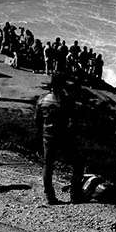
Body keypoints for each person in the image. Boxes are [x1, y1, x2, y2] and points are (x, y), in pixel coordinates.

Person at [34, 77, 83, 205]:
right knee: (78, 164)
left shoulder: (42, 99)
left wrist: (42, 134)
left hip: (47, 137)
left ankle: (49, 196)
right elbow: (74, 121)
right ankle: (75, 195)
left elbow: (37, 120)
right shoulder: (67, 100)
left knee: (48, 166)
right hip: (64, 137)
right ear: (62, 86)